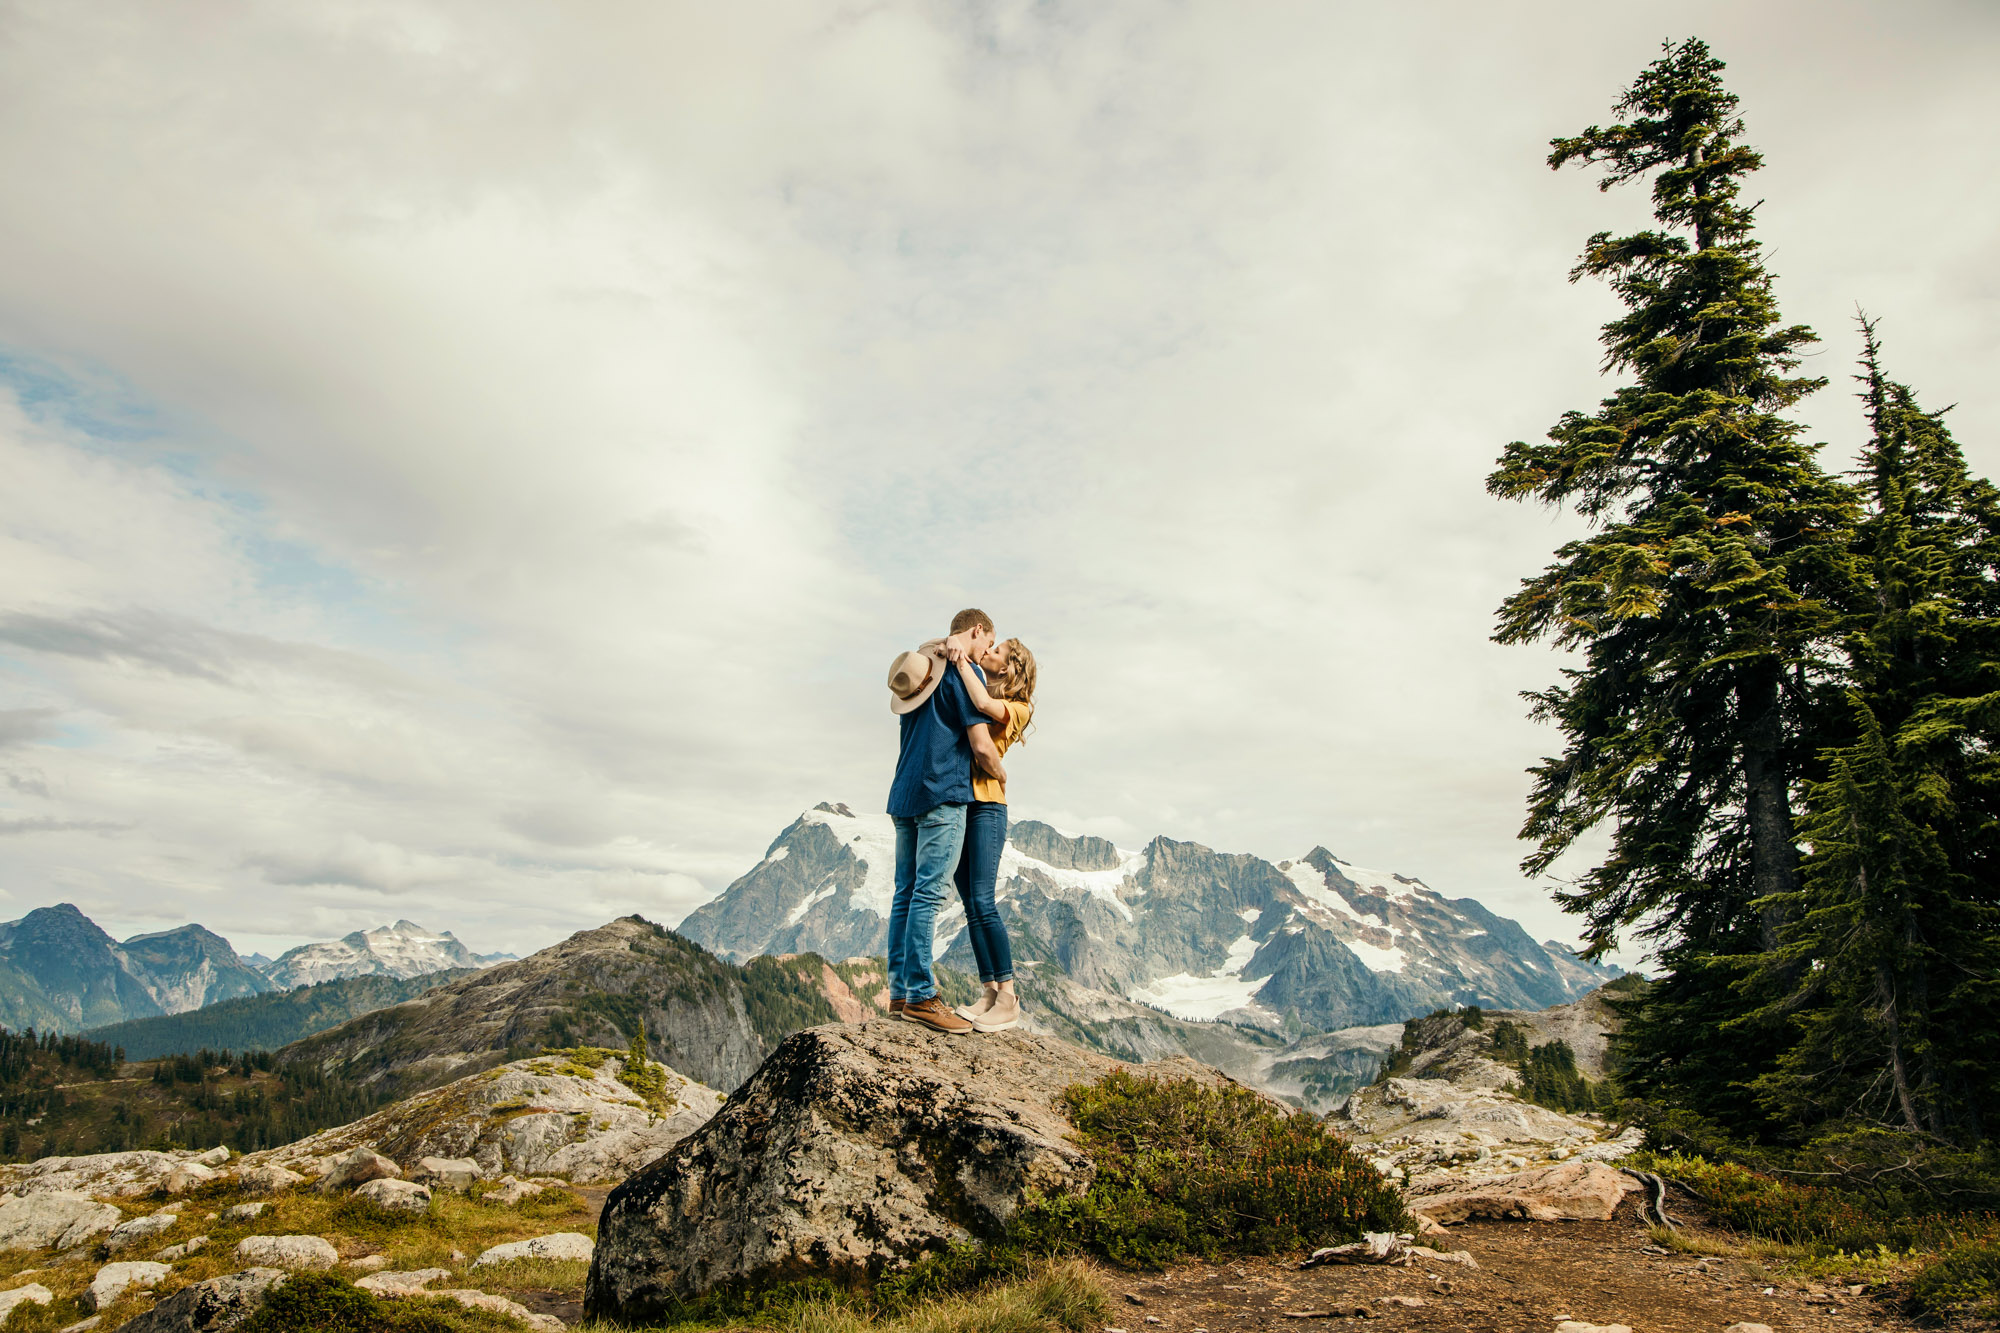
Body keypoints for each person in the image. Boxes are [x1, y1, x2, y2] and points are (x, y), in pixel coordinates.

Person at [883, 608, 1007, 1034]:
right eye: (988, 643)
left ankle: (900, 992)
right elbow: (979, 744)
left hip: (904, 794)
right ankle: (921, 995)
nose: (987, 652)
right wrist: (1001, 775)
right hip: (942, 795)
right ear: (977, 631)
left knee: (905, 893)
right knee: (929, 894)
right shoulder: (957, 671)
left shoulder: (922, 672)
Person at [942, 636, 1036, 1032]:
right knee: (970, 904)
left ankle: (1009, 997)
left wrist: (962, 660)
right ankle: (989, 990)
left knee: (983, 901)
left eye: (995, 653)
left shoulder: (1019, 708)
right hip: (967, 802)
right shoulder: (982, 685)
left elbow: (982, 704)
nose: (988, 653)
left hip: (988, 807)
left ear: (1009, 668)